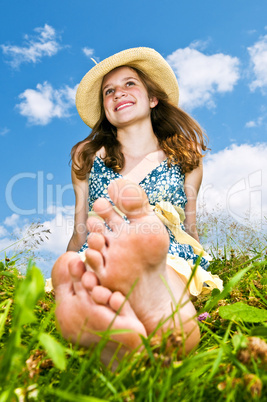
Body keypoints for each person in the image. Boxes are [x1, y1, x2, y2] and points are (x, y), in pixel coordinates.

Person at [52, 47, 222, 364]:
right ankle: (118, 323)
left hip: (165, 252)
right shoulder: (87, 156)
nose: (119, 94)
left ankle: (154, 307)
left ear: (152, 98)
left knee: (164, 264)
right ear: (105, 108)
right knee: (95, 258)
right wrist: (66, 266)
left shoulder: (185, 159)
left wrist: (203, 273)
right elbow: (80, 227)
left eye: (130, 84)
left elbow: (189, 228)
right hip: (100, 249)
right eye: (109, 91)